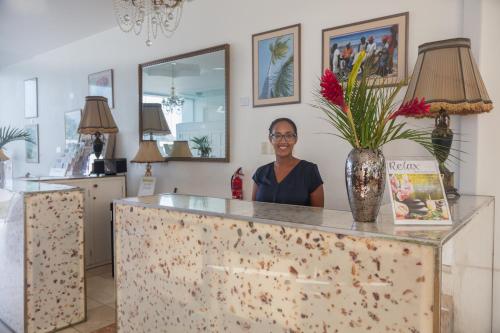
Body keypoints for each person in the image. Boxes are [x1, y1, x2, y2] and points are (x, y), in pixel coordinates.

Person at [252, 118, 324, 207]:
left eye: (289, 135)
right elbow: (254, 211)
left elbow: (318, 215)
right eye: (277, 136)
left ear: (295, 139)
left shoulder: (309, 171)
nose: (283, 141)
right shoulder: (261, 172)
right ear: (271, 139)